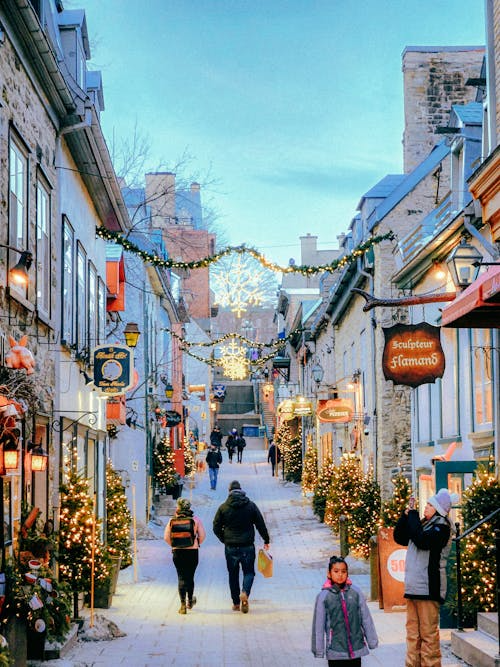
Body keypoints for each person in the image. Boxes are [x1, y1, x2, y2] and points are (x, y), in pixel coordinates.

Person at [394, 488, 458, 667]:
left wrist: (413, 515)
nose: (426, 507)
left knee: (428, 636)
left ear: (438, 509)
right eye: (427, 504)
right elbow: (400, 537)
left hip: (429, 588)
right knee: (412, 635)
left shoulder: (442, 528)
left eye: (430, 505)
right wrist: (405, 516)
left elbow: (422, 541)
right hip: (414, 587)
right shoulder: (423, 525)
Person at [213, 480, 270, 614]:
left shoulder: (223, 508)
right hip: (247, 546)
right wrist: (266, 539)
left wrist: (224, 539)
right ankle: (245, 592)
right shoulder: (251, 506)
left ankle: (236, 603)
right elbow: (260, 524)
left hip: (230, 547)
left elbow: (215, 526)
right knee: (249, 572)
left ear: (229, 492)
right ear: (241, 490)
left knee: (233, 575)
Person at [311, 555, 378, 665]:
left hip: (356, 649)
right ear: (329, 573)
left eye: (343, 571)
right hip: (335, 650)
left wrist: (372, 641)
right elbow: (318, 625)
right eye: (336, 571)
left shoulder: (355, 593)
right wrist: (318, 649)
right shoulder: (324, 596)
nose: (340, 575)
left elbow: (366, 618)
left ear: (347, 573)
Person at [164, 498, 206, 614]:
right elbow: (202, 535)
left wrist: (174, 545)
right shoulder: (195, 520)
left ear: (178, 507)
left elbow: (166, 537)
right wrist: (196, 543)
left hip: (178, 552)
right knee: (190, 576)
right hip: (192, 552)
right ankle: (190, 601)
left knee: (181, 577)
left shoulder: (172, 520)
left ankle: (182, 605)